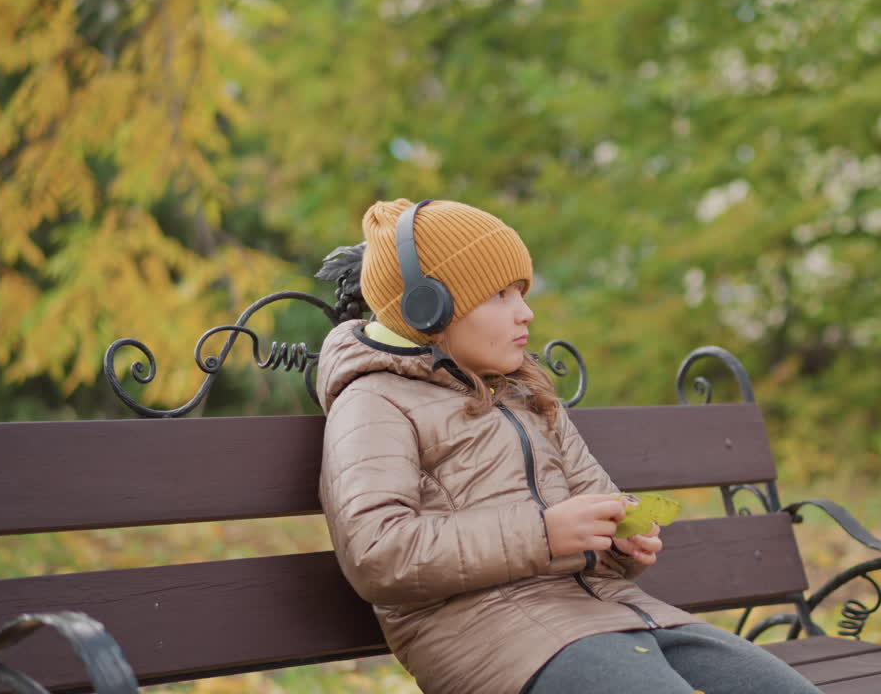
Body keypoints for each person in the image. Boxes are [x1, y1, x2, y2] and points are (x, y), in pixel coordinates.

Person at [316, 198, 823, 694]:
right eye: (501, 296)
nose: (526, 313)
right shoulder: (373, 399)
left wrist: (622, 541)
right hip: (489, 635)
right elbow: (379, 553)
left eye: (523, 293)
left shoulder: (526, 393)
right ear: (429, 309)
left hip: (612, 611)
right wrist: (546, 534)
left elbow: (592, 519)